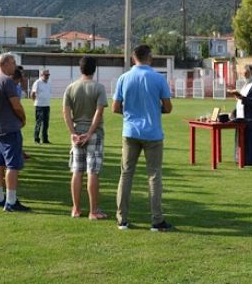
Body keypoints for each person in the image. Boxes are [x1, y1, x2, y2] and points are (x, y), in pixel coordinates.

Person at [113, 44, 173, 232]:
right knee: (154, 175)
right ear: (150, 57)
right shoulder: (158, 78)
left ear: (133, 58)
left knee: (126, 174)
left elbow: (115, 107)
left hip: (130, 132)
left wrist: (131, 112)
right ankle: (156, 220)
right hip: (153, 133)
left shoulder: (124, 78)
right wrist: (156, 110)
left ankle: (122, 219)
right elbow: (168, 107)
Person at [63, 56, 108, 220]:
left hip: (76, 132)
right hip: (94, 133)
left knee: (77, 171)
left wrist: (72, 132)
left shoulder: (71, 88)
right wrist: (90, 132)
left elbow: (66, 113)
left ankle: (75, 208)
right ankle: (93, 210)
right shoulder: (98, 88)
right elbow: (99, 111)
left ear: (80, 69)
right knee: (93, 172)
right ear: (94, 69)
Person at [0, 53, 30, 212]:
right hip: (9, 128)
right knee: (12, 165)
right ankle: (11, 201)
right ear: (5, 64)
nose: (14, 66)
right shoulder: (7, 81)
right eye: (13, 63)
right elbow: (16, 105)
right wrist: (23, 118)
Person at [228, 64, 252, 165]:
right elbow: (240, 101)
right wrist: (234, 112)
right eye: (243, 73)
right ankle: (240, 158)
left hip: (250, 117)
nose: (244, 74)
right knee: (242, 138)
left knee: (250, 139)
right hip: (240, 116)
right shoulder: (245, 84)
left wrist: (243, 98)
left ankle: (251, 160)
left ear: (251, 72)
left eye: (245, 72)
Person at [30, 69, 51, 144]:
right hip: (39, 105)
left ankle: (45, 139)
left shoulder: (49, 83)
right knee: (38, 123)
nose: (47, 76)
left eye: (48, 75)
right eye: (46, 75)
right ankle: (36, 139)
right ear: (41, 75)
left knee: (46, 123)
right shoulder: (37, 82)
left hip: (47, 105)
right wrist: (35, 101)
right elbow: (33, 93)